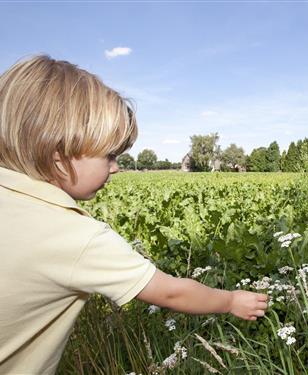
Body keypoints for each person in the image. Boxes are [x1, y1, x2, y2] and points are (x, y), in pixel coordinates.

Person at [0, 55, 268, 374]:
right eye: (109, 155)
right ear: (59, 157)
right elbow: (171, 291)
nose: (115, 167)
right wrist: (231, 301)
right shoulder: (73, 236)